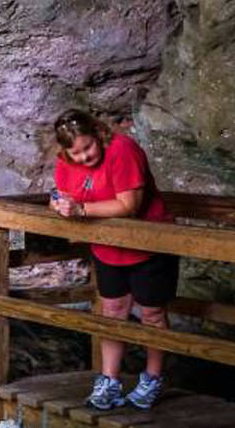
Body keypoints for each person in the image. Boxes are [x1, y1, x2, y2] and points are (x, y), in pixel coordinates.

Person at [49, 109, 177, 411]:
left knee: (152, 313)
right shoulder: (67, 160)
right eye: (75, 153)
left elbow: (128, 204)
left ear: (98, 133)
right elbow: (60, 193)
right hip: (108, 246)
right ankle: (109, 380)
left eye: (88, 147)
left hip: (149, 243)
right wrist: (60, 205)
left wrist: (79, 210)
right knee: (112, 310)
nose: (83, 157)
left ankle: (153, 378)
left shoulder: (122, 150)